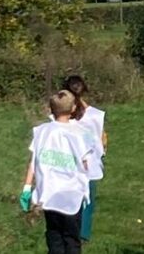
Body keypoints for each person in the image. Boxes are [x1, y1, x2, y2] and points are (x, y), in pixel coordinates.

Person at [21, 90, 93, 254]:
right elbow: (86, 165)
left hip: (49, 193)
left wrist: (27, 187)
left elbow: (34, 161)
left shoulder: (42, 132)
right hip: (71, 195)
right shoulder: (81, 134)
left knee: (54, 235)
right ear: (73, 108)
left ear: (50, 108)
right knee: (72, 239)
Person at [62, 75, 105, 242]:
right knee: (87, 201)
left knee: (69, 197)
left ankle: (68, 229)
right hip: (91, 164)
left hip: (68, 163)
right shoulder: (96, 115)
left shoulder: (62, 116)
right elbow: (101, 139)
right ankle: (83, 234)